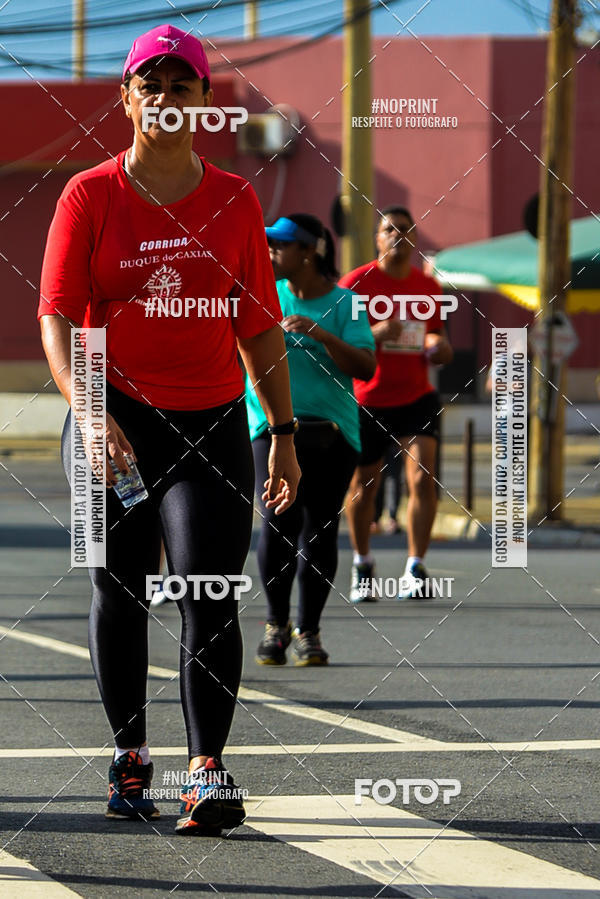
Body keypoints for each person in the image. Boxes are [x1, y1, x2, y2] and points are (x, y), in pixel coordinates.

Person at [38, 25, 301, 835]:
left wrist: (283, 432)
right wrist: (89, 410)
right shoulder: (89, 193)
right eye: (148, 84)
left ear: (203, 101)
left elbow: (259, 327)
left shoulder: (235, 198)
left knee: (207, 590)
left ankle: (205, 769)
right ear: (126, 99)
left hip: (213, 419)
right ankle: (129, 758)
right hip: (109, 418)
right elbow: (56, 317)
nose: (164, 96)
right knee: (118, 586)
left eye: (179, 84)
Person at [246, 214, 375, 665]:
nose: (271, 254)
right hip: (270, 428)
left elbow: (366, 367)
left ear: (310, 250)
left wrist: (319, 334)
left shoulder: (348, 303)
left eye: (280, 246)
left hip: (333, 432)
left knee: (319, 530)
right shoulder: (261, 297)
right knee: (277, 522)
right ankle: (275, 624)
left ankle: (309, 632)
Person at [342, 206, 453, 601]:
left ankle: (415, 568)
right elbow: (339, 342)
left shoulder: (428, 287)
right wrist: (375, 331)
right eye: (390, 230)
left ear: (414, 238)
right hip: (368, 397)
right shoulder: (356, 283)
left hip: (416, 396)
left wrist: (438, 346)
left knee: (422, 479)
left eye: (405, 230)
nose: (398, 236)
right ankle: (362, 563)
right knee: (363, 487)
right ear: (378, 238)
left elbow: (433, 336)